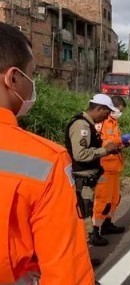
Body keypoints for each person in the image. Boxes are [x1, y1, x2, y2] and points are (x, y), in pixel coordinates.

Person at [0, 22, 95, 284]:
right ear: (13, 78)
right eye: (32, 75)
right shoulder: (45, 160)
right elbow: (66, 273)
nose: (33, 85)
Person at [64, 93, 120, 250]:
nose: (106, 117)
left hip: (89, 178)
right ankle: (82, 257)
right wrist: (104, 151)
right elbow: (80, 154)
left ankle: (84, 256)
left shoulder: (88, 125)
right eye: (106, 113)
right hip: (83, 180)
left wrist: (109, 150)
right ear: (99, 108)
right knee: (84, 219)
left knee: (86, 218)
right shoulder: (81, 126)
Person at [93, 95, 129, 235]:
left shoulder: (114, 123)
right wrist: (119, 140)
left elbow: (114, 143)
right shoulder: (101, 122)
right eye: (118, 110)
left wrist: (124, 143)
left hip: (115, 168)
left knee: (115, 199)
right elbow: (99, 144)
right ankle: (94, 231)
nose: (120, 113)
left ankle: (107, 224)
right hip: (104, 169)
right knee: (102, 200)